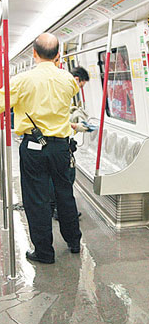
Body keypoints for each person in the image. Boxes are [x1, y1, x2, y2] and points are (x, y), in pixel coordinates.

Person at [0, 33, 81, 263]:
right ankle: (74, 242)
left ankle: (44, 252)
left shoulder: (22, 80)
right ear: (58, 55)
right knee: (65, 194)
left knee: (36, 198)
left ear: (34, 53)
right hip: (61, 146)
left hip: (34, 146)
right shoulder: (69, 79)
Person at [50, 66, 90, 219]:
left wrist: (74, 126)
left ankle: (59, 209)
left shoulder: (61, 91)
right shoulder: (63, 92)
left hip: (59, 140)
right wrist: (74, 128)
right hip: (59, 142)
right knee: (65, 179)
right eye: (80, 86)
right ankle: (62, 212)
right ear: (77, 80)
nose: (79, 89)